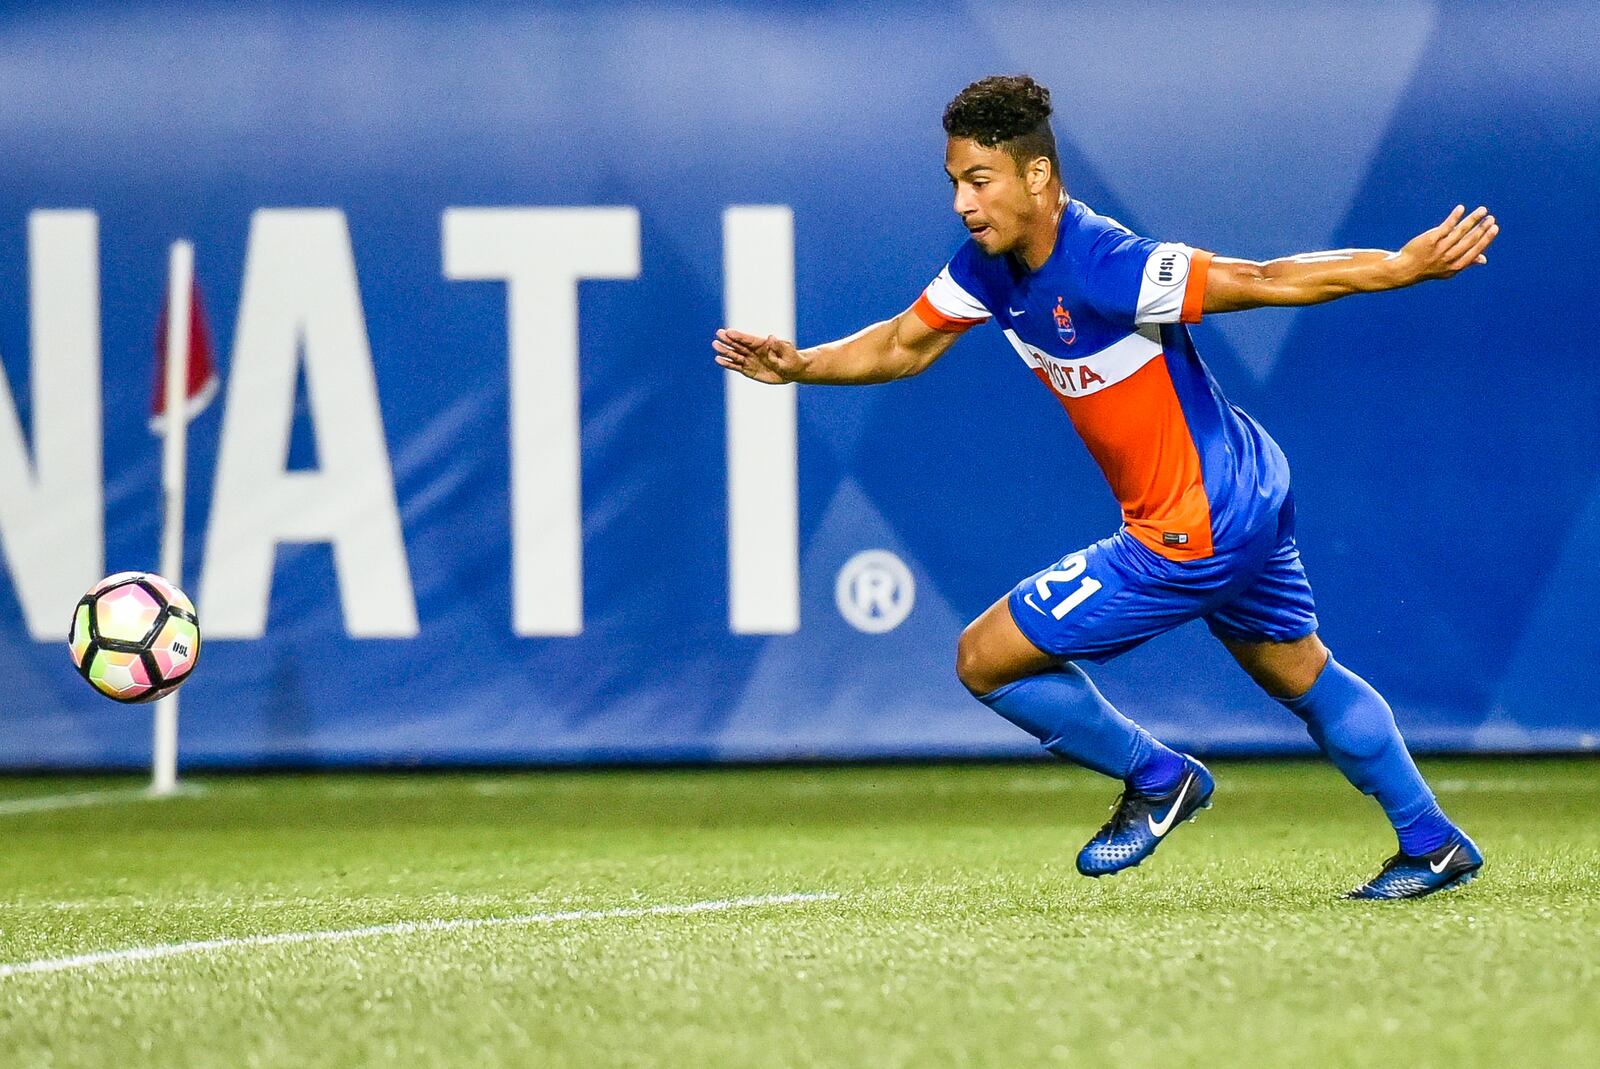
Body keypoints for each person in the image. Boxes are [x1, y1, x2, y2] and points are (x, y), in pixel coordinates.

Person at [713, 75, 1498, 899]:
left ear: (1038, 179)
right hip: (1247, 488)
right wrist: (803, 365)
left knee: (985, 660)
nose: (961, 203)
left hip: (1193, 526)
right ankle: (1432, 840)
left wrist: (1400, 267)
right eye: (954, 183)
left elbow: (1261, 278)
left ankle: (1159, 778)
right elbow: (905, 343)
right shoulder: (986, 269)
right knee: (1299, 669)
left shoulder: (1108, 264)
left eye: (979, 181)